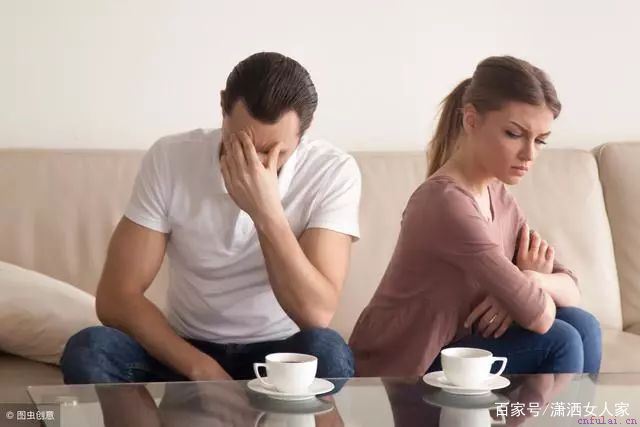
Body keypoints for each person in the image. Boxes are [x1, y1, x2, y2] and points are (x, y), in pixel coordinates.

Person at [61, 52, 361, 384]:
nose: (255, 165)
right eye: (242, 144)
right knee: (89, 349)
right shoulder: (171, 158)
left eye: (274, 152)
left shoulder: (332, 171)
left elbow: (316, 314)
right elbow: (116, 297)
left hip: (279, 357)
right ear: (222, 107)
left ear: (305, 130)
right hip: (186, 351)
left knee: (329, 351)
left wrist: (265, 211)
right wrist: (201, 369)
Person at [349, 56, 601, 377]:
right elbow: (538, 315)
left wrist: (531, 279)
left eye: (540, 141)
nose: (529, 154)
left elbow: (571, 289)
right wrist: (521, 294)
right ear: (471, 121)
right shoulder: (444, 202)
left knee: (584, 325)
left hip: (459, 350)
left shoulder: (498, 194)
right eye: (514, 134)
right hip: (407, 369)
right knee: (560, 339)